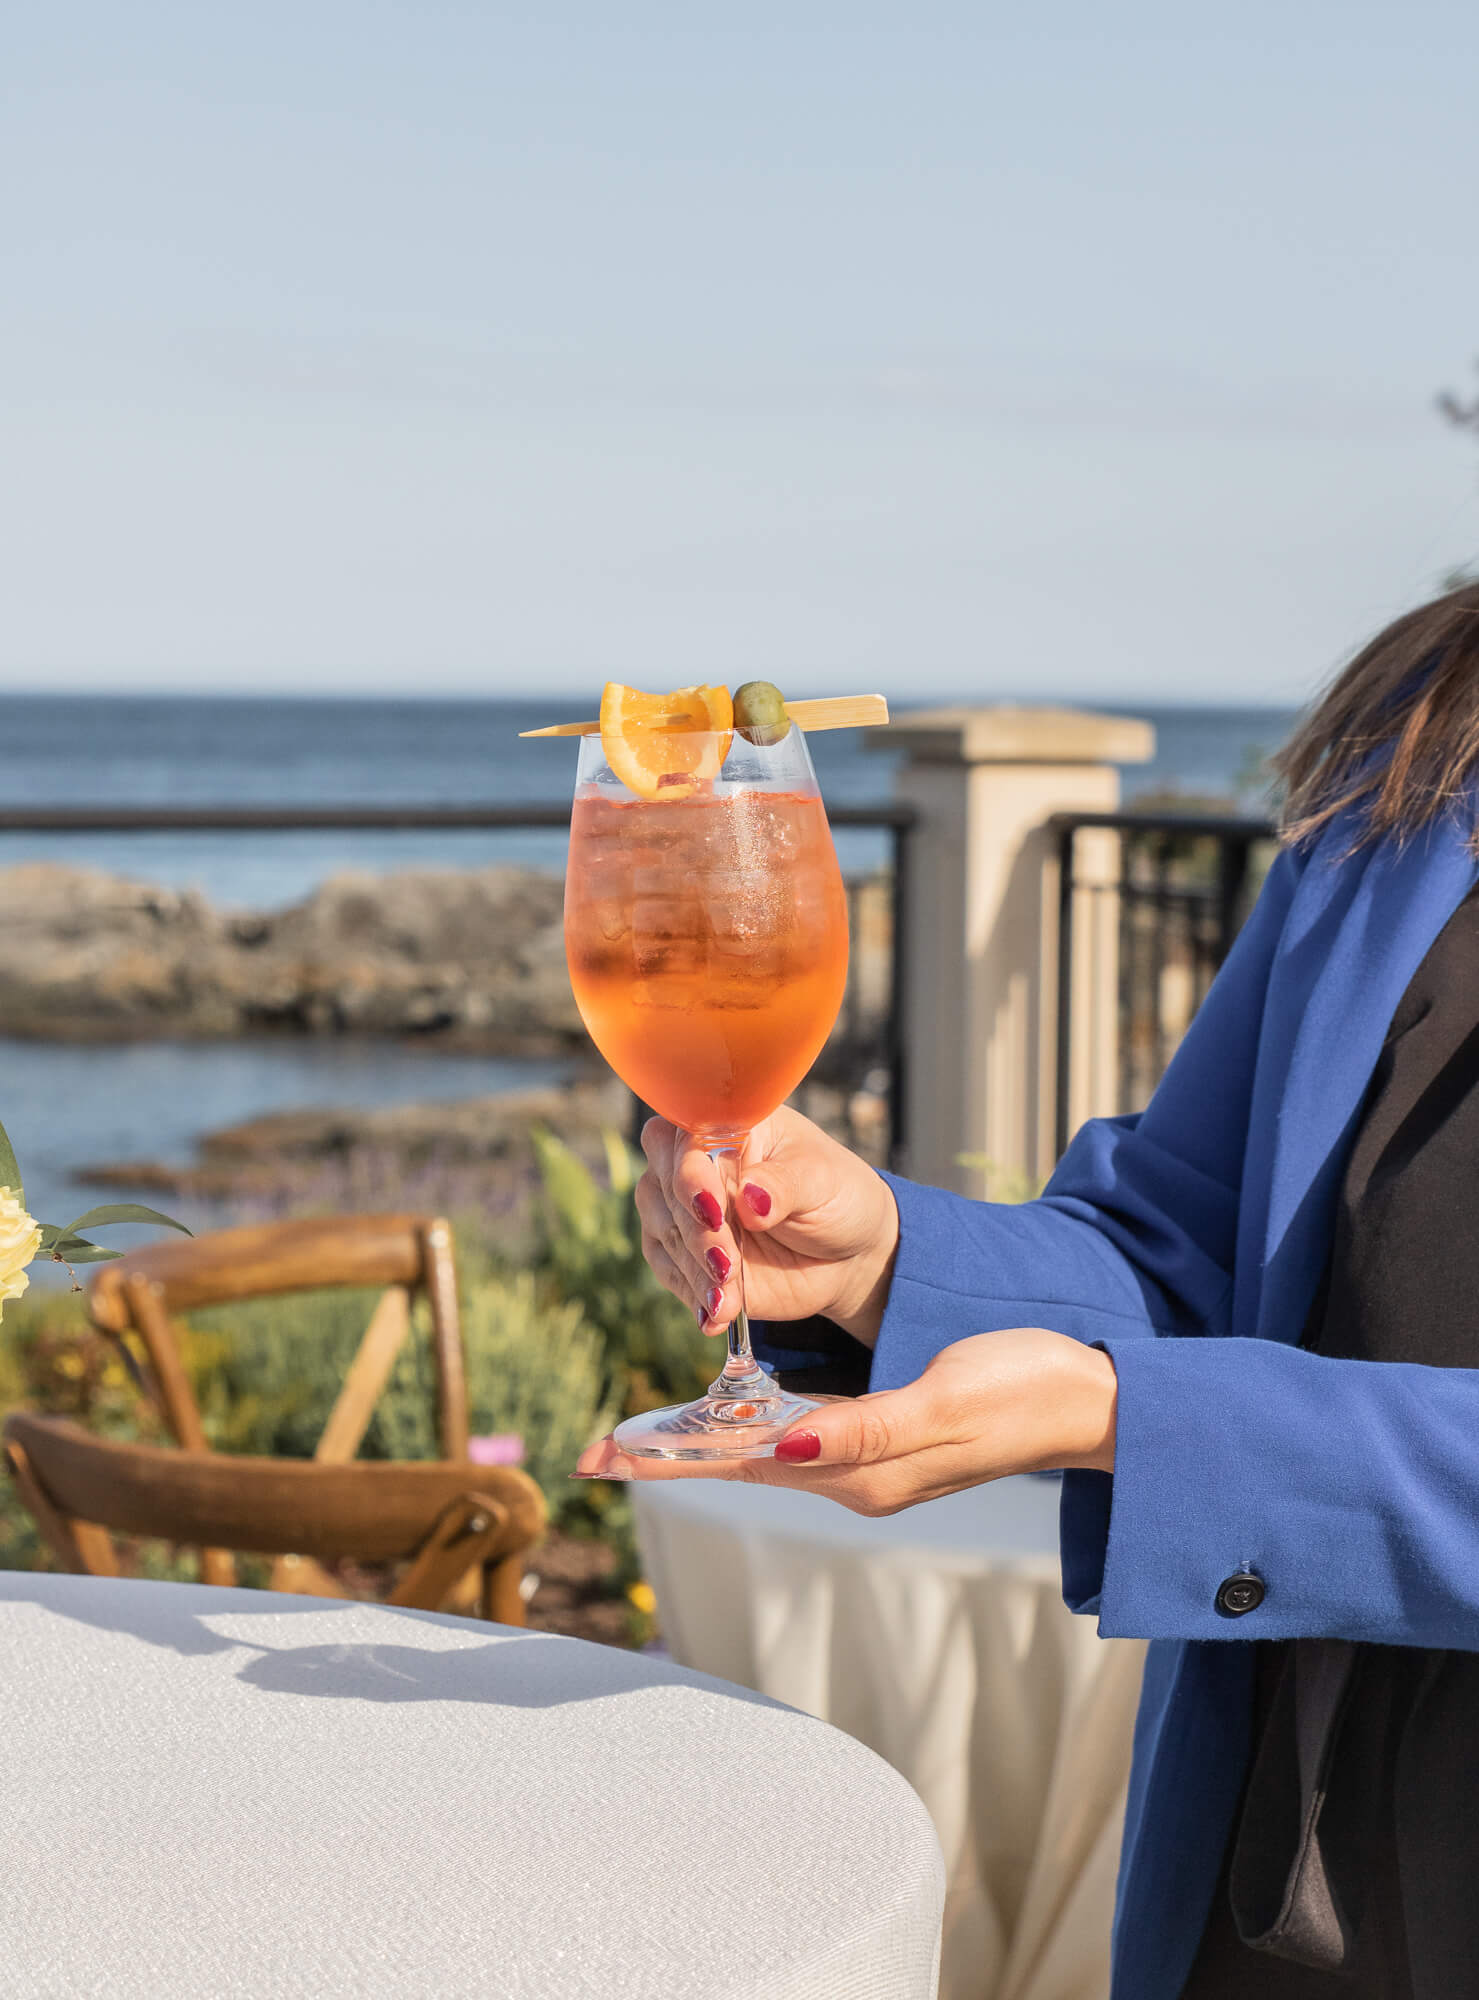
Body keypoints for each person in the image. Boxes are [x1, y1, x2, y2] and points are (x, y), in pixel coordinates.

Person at [576, 581, 1479, 1999]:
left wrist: (1143, 1418)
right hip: (1297, 1861)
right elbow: (1186, 1243)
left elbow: (1162, 1385)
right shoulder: (1430, 728)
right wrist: (881, 1260)